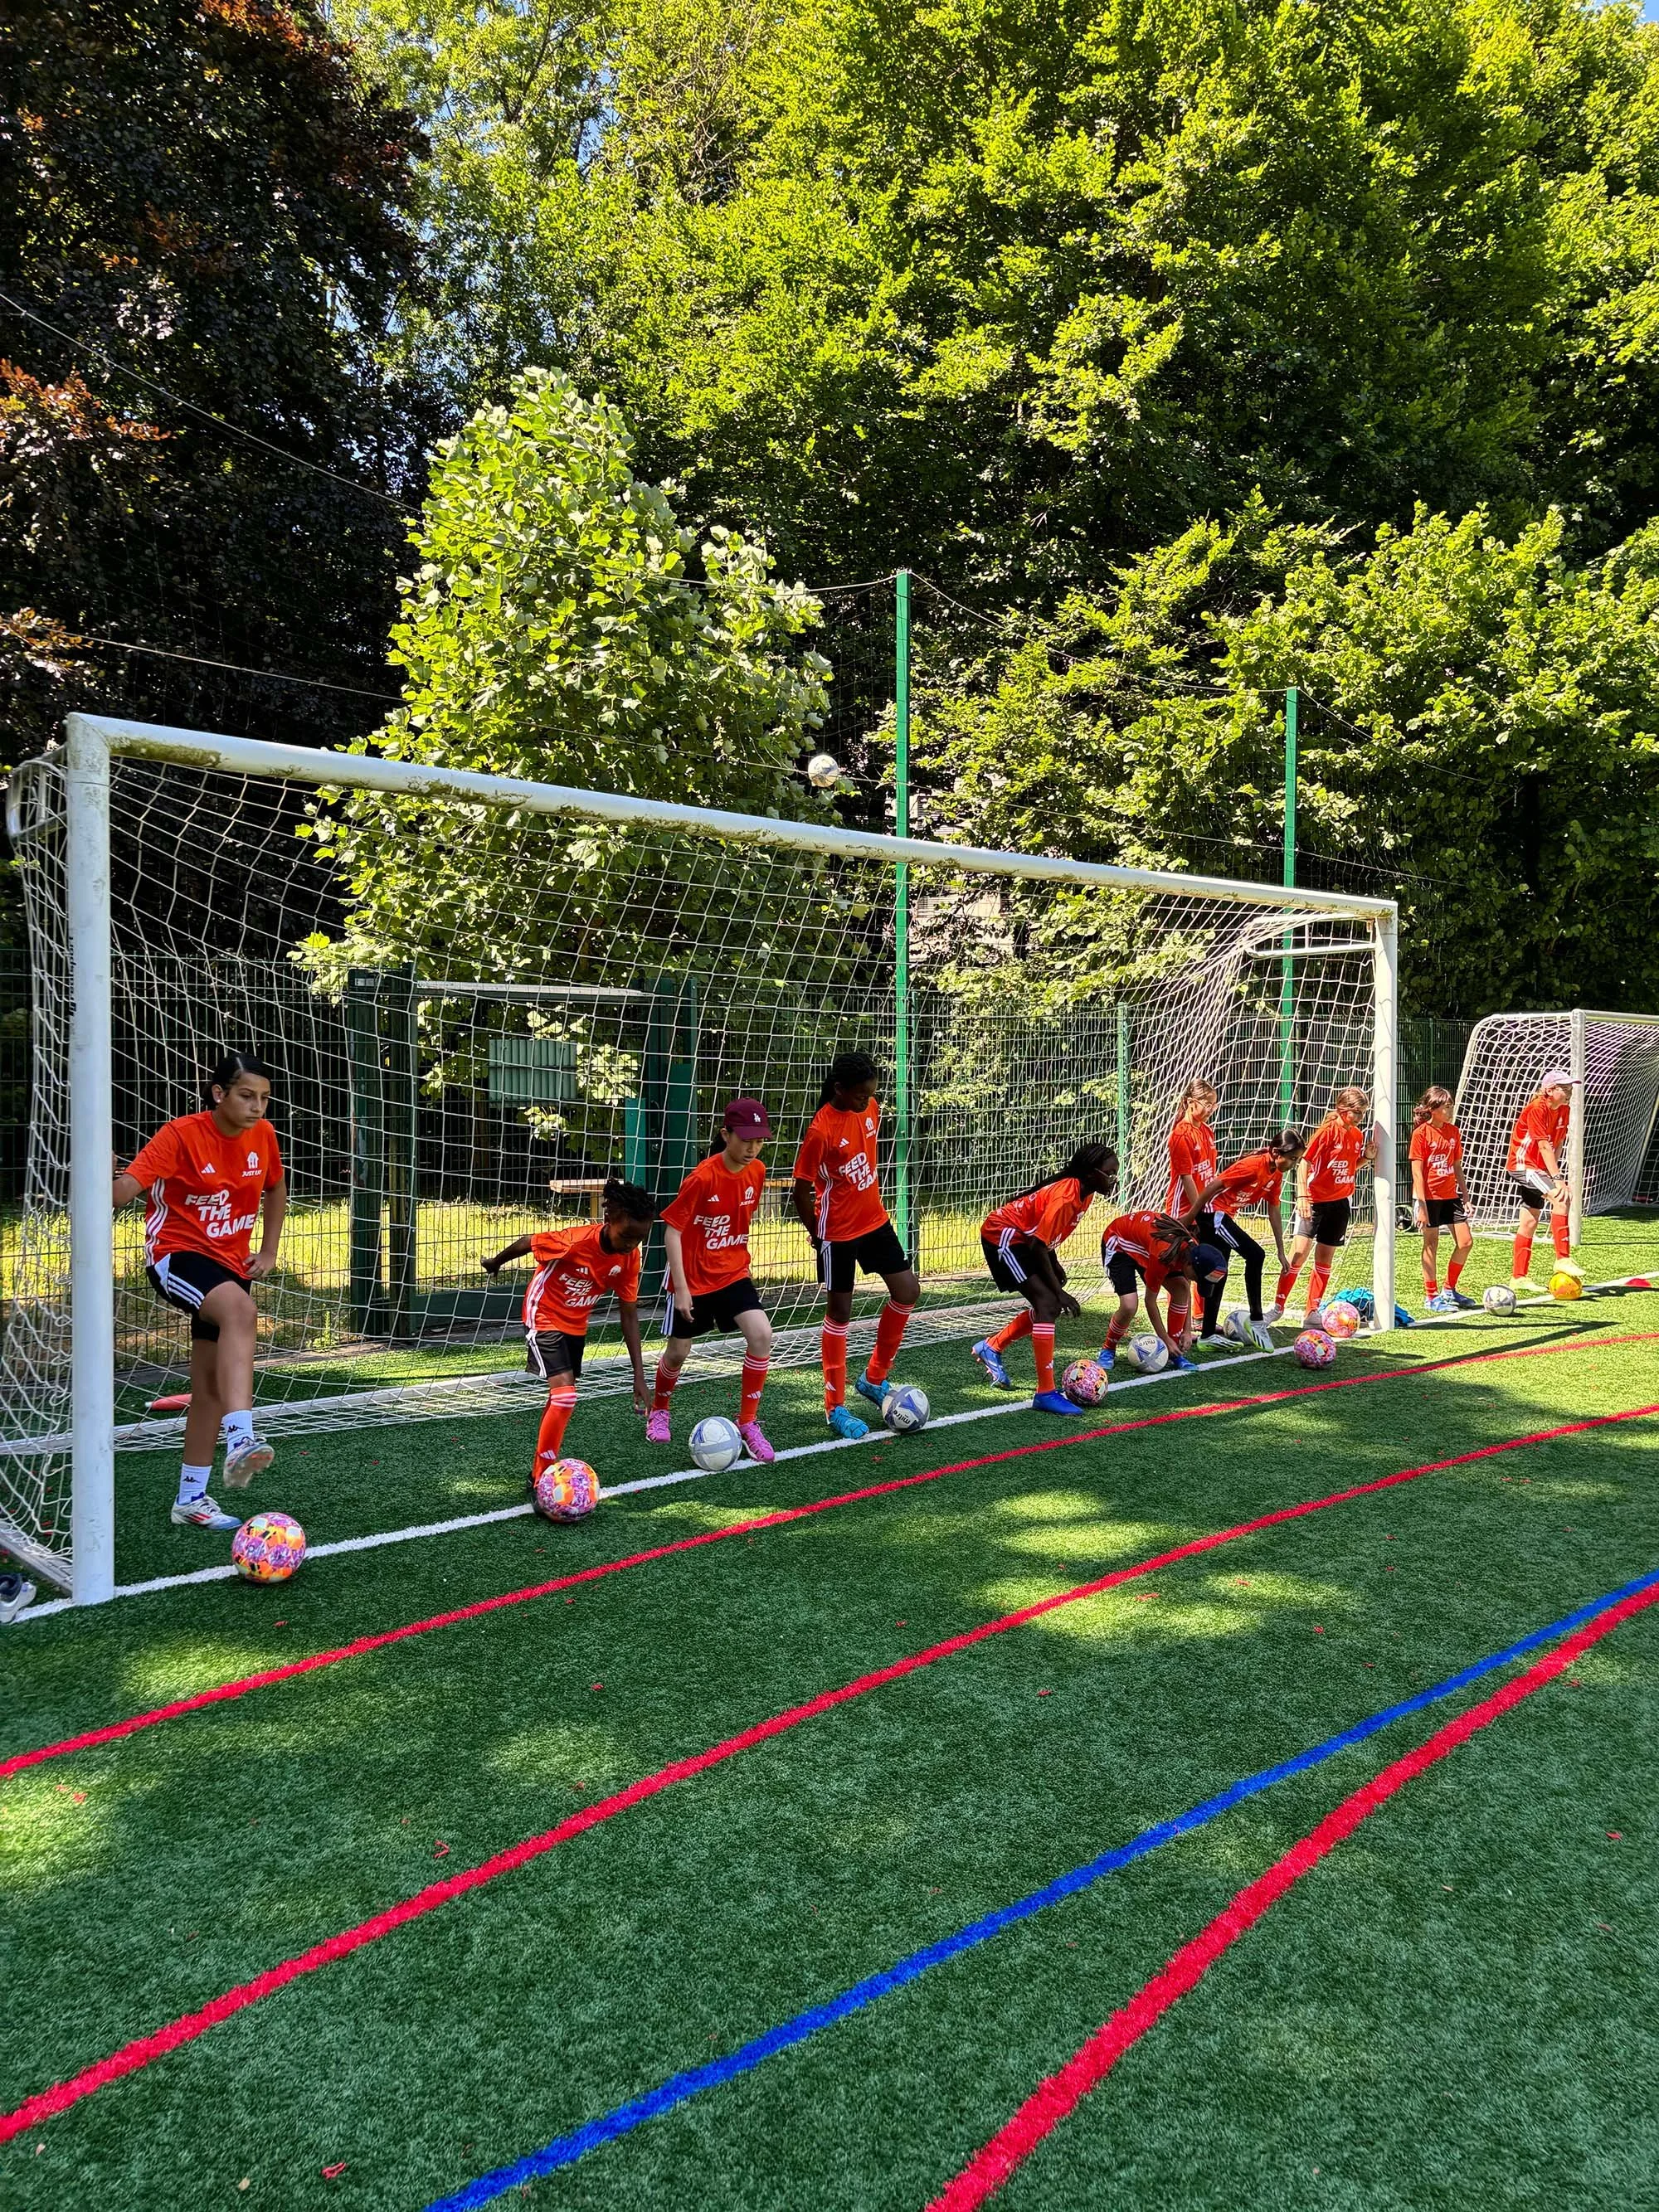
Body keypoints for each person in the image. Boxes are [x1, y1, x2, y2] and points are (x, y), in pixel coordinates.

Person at [112, 1051, 285, 1532]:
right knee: (241, 1312)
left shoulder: (263, 1136)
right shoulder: (180, 1135)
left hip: (231, 1263)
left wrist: (268, 1250)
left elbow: (275, 1187)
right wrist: (97, 1172)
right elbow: (122, 1193)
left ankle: (191, 1498)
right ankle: (242, 1439)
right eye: (247, 1096)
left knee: (208, 1387)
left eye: (265, 1098)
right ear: (218, 1094)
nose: (257, 1107)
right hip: (177, 1255)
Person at [481, 1178, 654, 1496]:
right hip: (543, 1313)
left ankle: (542, 1466)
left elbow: (629, 1315)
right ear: (609, 1220)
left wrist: (639, 1376)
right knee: (566, 1397)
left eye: (640, 1239)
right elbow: (527, 1241)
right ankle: (540, 1479)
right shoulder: (573, 1242)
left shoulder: (629, 1258)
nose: (631, 1245)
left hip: (575, 1326)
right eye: (626, 1236)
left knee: (560, 1399)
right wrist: (496, 1262)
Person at [791, 1051, 920, 1439]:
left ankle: (874, 1377)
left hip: (874, 1220)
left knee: (908, 1291)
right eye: (861, 1096)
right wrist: (818, 1234)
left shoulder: (871, 1109)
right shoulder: (820, 1131)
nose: (868, 1101)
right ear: (840, 1089)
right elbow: (800, 1190)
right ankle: (835, 1409)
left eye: (871, 1095)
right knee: (841, 1314)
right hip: (839, 1232)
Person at [649, 1098, 776, 1463]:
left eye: (759, 1140)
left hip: (734, 1273)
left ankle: (748, 1424)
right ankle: (660, 1409)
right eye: (746, 1139)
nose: (753, 1147)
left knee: (762, 1334)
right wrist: (682, 1288)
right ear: (726, 1135)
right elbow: (672, 1232)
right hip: (695, 1280)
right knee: (678, 1353)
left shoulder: (757, 1172)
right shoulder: (703, 1178)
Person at [972, 1143, 1119, 1414]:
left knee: (1047, 1304)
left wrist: (1055, 1263)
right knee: (1049, 1302)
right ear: (1090, 1174)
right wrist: (1058, 1291)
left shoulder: (1085, 1193)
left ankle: (992, 1346)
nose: (1114, 1179)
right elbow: (1037, 1245)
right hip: (1003, 1235)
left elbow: (1044, 1236)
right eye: (1110, 1174)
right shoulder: (1068, 1196)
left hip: (1024, 1239)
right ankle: (1045, 1393)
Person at [1189, 1127, 1304, 1348]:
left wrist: (1281, 1251)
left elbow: (1274, 1210)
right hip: (1212, 1215)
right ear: (1275, 1153)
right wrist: (1191, 1217)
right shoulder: (1253, 1166)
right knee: (1255, 1255)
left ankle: (1207, 1336)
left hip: (1223, 1216)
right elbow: (1213, 1185)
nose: (1293, 1164)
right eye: (1291, 1159)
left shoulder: (1276, 1174)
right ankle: (1257, 1320)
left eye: (1296, 1160)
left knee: (1218, 1271)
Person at [1272, 1086, 1379, 1324]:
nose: (1361, 1117)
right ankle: (1278, 1306)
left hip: (1339, 1204)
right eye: (1357, 1112)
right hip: (1315, 1202)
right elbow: (1304, 1163)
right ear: (1342, 1109)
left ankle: (1311, 1312)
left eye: (1363, 1113)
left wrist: (1367, 1159)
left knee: (1325, 1258)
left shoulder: (1357, 1135)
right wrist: (1302, 1197)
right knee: (1298, 1254)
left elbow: (1349, 1167)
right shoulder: (1327, 1132)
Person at [1097, 1211, 1228, 1372]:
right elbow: (1150, 1302)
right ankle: (1108, 1348)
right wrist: (1164, 1338)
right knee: (1129, 1305)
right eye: (1197, 1277)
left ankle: (1175, 1354)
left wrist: (1186, 1331)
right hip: (1119, 1244)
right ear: (1189, 1265)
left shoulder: (1191, 1251)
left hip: (1145, 1248)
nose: (1195, 1281)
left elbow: (1185, 1287)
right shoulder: (1164, 1254)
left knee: (1180, 1288)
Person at [1507, 1069, 1579, 1294]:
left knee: (1529, 1222)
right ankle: (1562, 1258)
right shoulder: (1537, 1108)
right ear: (1549, 1090)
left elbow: (1556, 1144)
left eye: (1570, 1088)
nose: (1570, 1093)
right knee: (1561, 1198)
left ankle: (1518, 1277)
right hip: (1523, 1165)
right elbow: (1543, 1145)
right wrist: (1557, 1180)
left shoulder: (1564, 1110)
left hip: (1538, 1169)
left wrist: (1551, 1173)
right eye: (1564, 1089)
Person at [1410, 1086, 1476, 1310]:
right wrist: (1421, 1205)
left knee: (1466, 1242)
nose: (1450, 1111)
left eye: (1451, 1106)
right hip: (1429, 1198)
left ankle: (1449, 1290)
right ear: (1433, 1109)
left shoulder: (1453, 1132)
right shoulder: (1421, 1134)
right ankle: (1431, 1297)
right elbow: (1417, 1172)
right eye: (1447, 1107)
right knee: (1431, 1244)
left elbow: (1456, 1166)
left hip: (1451, 1196)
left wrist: (1465, 1196)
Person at [1166, 1080, 1219, 1213]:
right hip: (1183, 1213)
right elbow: (1187, 1178)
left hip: (1202, 1209)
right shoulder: (1181, 1135)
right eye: (1207, 1105)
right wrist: (1198, 1213)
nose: (1211, 1110)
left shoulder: (1207, 1130)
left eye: (1214, 1106)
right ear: (1190, 1102)